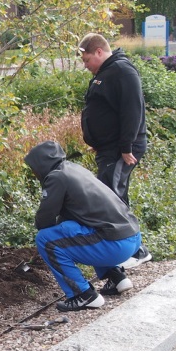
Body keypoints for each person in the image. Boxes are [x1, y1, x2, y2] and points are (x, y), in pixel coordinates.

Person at [24, 141, 143, 312]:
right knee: (77, 227)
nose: (34, 173)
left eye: (33, 168)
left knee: (46, 240)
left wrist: (51, 249)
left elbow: (44, 220)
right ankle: (116, 277)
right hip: (132, 237)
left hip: (115, 245)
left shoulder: (56, 177)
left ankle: (84, 295)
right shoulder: (74, 169)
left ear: (40, 164)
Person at [78, 33, 151, 270]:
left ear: (99, 52)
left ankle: (137, 251)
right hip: (109, 149)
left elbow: (133, 111)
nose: (85, 65)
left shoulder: (122, 71)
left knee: (113, 199)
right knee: (112, 196)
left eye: (87, 60)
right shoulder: (106, 73)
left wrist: (126, 146)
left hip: (122, 150)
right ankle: (127, 249)